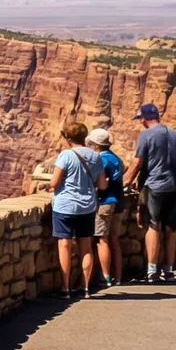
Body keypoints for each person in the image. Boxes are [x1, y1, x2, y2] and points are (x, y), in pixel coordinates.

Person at [129, 102, 176, 282]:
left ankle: (152, 271)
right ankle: (169, 270)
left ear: (144, 119)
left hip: (153, 186)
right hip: (172, 186)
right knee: (171, 227)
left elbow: (137, 163)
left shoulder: (145, 135)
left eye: (140, 119)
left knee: (153, 225)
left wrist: (126, 181)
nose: (140, 123)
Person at [49, 119, 104, 297]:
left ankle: (65, 288)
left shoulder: (66, 155)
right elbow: (102, 184)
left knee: (64, 244)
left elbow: (54, 183)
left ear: (68, 138)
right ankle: (86, 287)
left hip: (64, 206)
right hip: (87, 207)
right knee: (86, 246)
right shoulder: (96, 156)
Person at [87, 127, 124, 286]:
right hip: (118, 201)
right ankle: (118, 276)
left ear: (95, 144)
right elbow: (123, 170)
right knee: (114, 239)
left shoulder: (100, 159)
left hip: (105, 202)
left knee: (102, 239)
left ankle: (105, 277)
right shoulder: (115, 158)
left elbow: (96, 180)